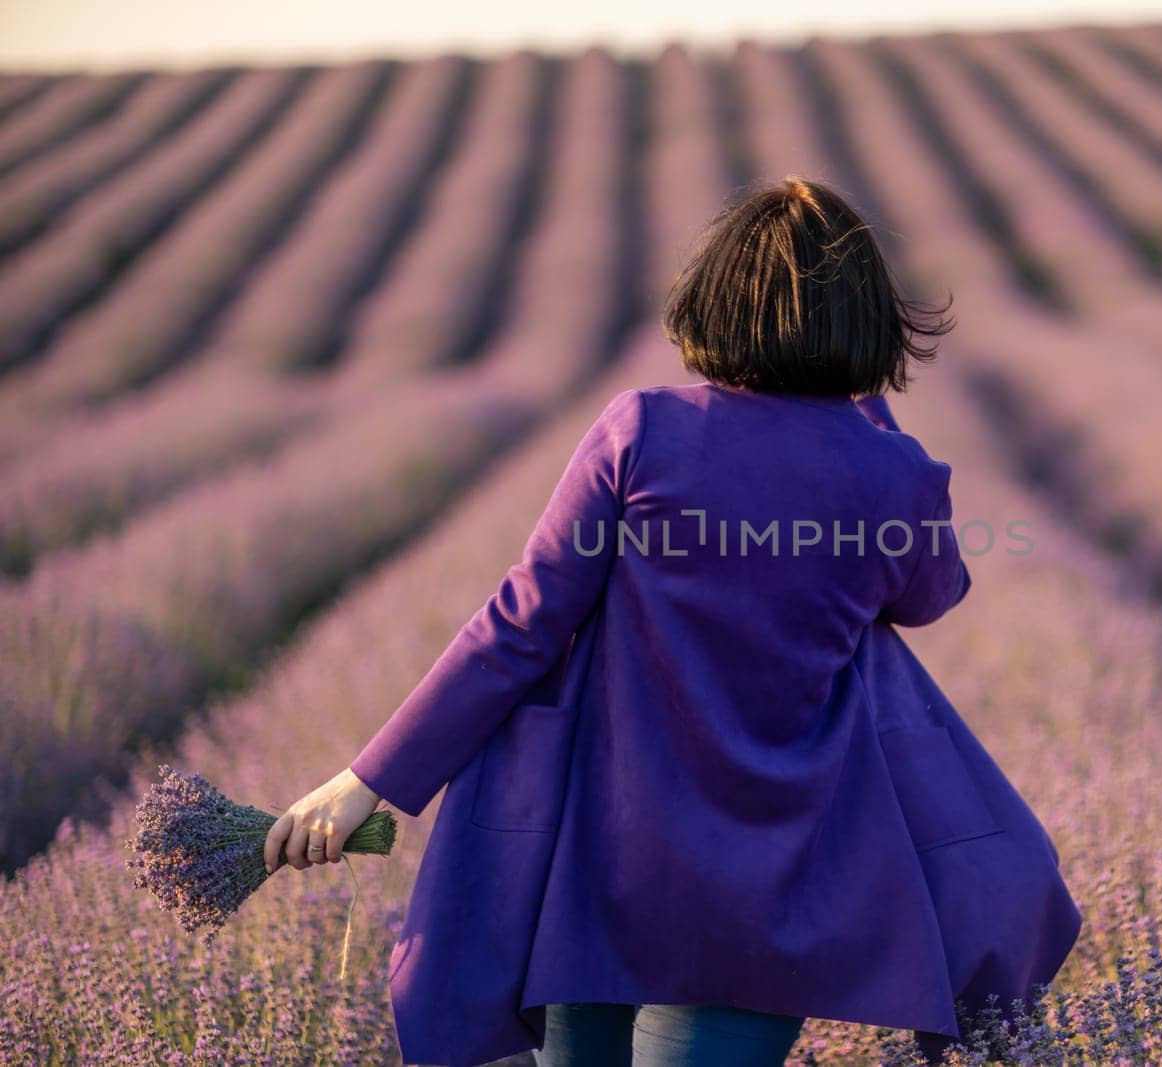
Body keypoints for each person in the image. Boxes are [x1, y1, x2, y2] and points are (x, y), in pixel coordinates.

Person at [265, 176, 979, 1067]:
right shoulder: (891, 477)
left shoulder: (641, 431)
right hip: (772, 893)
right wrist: (866, 413)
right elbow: (931, 593)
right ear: (871, 321)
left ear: (714, 300)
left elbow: (519, 625)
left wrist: (368, 780)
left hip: (603, 875)